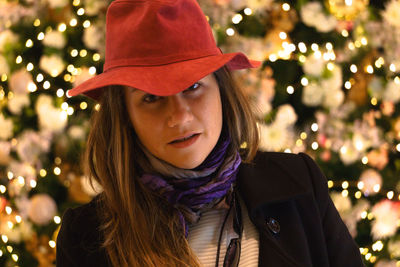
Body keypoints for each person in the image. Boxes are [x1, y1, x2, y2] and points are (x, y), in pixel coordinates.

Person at [56, 0, 365, 266]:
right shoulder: (86, 236)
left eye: (192, 87)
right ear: (125, 118)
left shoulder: (298, 183)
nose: (179, 116)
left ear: (221, 90)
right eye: (151, 98)